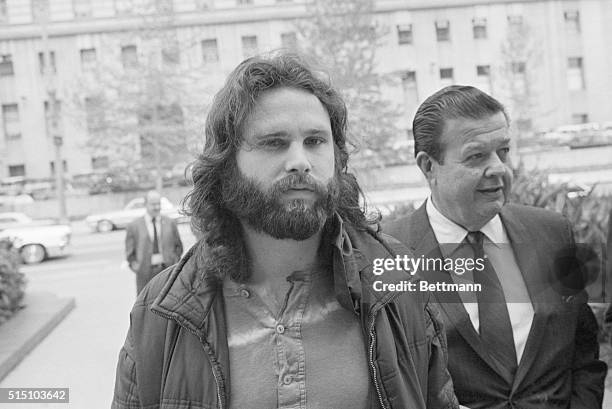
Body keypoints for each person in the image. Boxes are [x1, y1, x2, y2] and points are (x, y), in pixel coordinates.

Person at [112, 53, 458, 409]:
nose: (300, 162)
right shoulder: (160, 312)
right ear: (227, 164)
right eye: (274, 143)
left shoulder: (398, 281)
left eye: (315, 141)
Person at [383, 85, 607, 409]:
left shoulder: (555, 232)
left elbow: (584, 353)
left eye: (503, 151)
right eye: (476, 156)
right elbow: (389, 377)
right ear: (428, 166)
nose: (499, 168)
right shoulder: (388, 253)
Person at [125, 190, 183, 294]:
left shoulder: (170, 223)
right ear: (145, 204)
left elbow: (178, 246)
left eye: (158, 204)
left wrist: (174, 262)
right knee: (145, 307)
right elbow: (130, 254)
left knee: (169, 304)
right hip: (145, 274)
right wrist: (138, 268)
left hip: (168, 271)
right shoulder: (134, 226)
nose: (156, 207)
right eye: (153, 204)